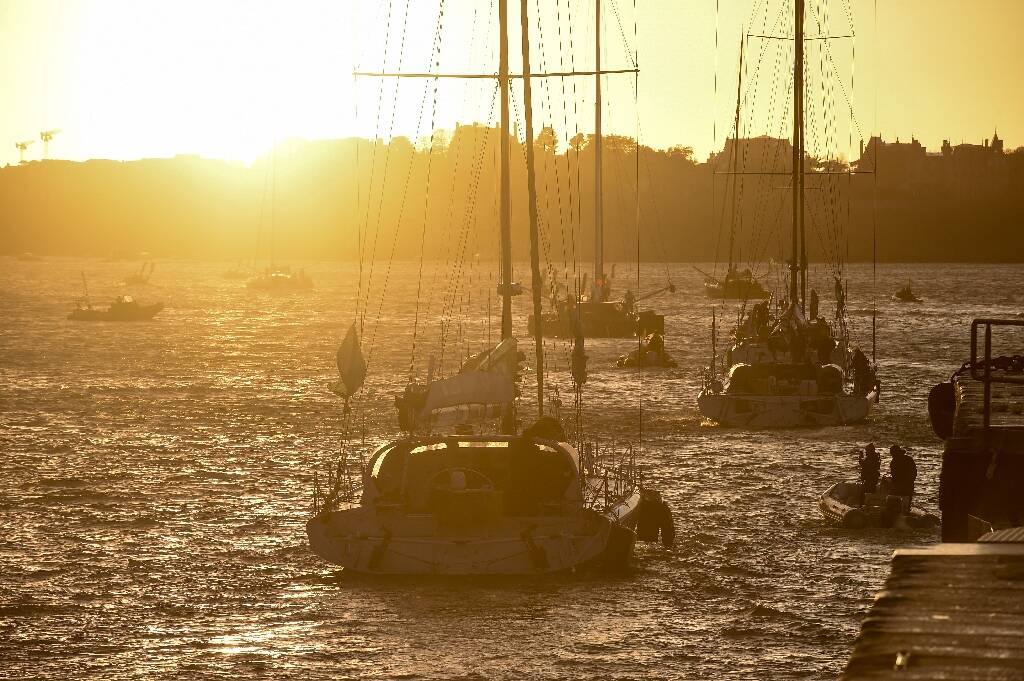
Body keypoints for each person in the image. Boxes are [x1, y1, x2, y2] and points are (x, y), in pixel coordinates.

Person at [889, 445, 918, 511]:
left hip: (901, 486)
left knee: (897, 504)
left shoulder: (894, 461)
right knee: (906, 505)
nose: (891, 455)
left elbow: (894, 475)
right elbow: (914, 473)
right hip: (908, 486)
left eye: (892, 453)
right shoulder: (909, 459)